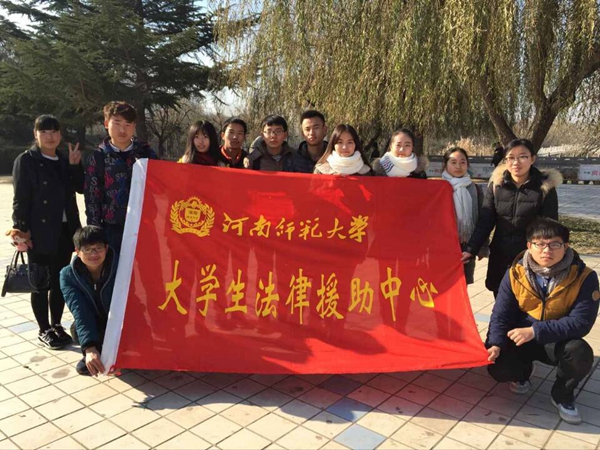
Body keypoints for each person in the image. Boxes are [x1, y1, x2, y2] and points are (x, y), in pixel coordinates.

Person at [486, 218, 598, 425]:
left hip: (558, 340)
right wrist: (495, 343)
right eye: (540, 244)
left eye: (555, 244)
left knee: (580, 353)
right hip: (521, 337)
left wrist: (536, 331)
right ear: (529, 246)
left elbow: (581, 322)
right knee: (498, 367)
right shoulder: (515, 273)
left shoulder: (585, 277)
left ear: (566, 246)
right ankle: (522, 373)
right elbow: (501, 314)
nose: (547, 250)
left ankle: (562, 395)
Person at [7, 115, 83, 349]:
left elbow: (80, 187)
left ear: (60, 135)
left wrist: (75, 165)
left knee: (60, 280)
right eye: (44, 132)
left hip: (65, 230)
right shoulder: (27, 160)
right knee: (40, 282)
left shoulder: (63, 160)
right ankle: (43, 329)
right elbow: (20, 198)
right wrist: (21, 230)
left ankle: (57, 324)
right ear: (36, 134)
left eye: (54, 132)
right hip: (40, 231)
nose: (49, 137)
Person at [461, 138, 561, 296]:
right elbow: (486, 221)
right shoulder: (497, 184)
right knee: (501, 300)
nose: (516, 162)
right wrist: (471, 249)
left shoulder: (545, 188)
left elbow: (549, 228)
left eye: (523, 157)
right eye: (511, 157)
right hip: (500, 257)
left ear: (532, 159)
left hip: (530, 259)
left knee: (527, 303)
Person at [84, 101, 158, 257]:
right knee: (114, 268)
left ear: (134, 126)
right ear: (106, 124)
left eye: (128, 124)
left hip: (144, 226)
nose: (122, 130)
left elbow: (159, 188)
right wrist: (94, 232)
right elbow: (92, 197)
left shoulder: (146, 154)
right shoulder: (98, 157)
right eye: (117, 123)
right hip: (111, 228)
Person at [60, 226, 116, 376]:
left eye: (98, 248)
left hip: (120, 322)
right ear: (77, 252)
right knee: (76, 330)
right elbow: (80, 311)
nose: (94, 254)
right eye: (87, 249)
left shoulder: (120, 267)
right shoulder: (68, 275)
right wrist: (90, 348)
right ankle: (97, 354)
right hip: (96, 323)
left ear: (106, 248)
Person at [441, 147, 488, 284]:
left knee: (463, 285)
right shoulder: (438, 188)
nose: (458, 166)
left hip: (467, 247)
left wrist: (481, 247)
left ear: (467, 165)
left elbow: (483, 219)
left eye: (462, 162)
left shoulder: (475, 189)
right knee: (443, 285)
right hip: (444, 247)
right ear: (445, 165)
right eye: (453, 162)